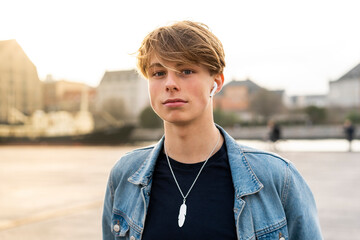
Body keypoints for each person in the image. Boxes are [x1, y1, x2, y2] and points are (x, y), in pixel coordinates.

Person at [102, 20, 322, 240]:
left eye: (186, 70)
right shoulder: (124, 175)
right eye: (158, 73)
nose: (170, 83)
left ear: (216, 82)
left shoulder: (278, 177)